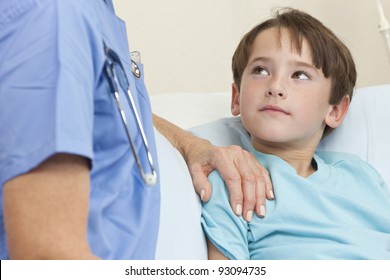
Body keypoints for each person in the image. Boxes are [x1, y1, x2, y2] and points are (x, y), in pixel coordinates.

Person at [0, 0, 274, 259]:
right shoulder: (55, 17)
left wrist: (188, 144)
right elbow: (49, 257)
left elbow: (105, 101)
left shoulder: (89, 13)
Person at [201, 8, 390, 259]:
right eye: (261, 70)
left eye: (300, 75)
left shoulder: (361, 175)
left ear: (334, 110)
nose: (275, 87)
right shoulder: (232, 180)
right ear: (237, 98)